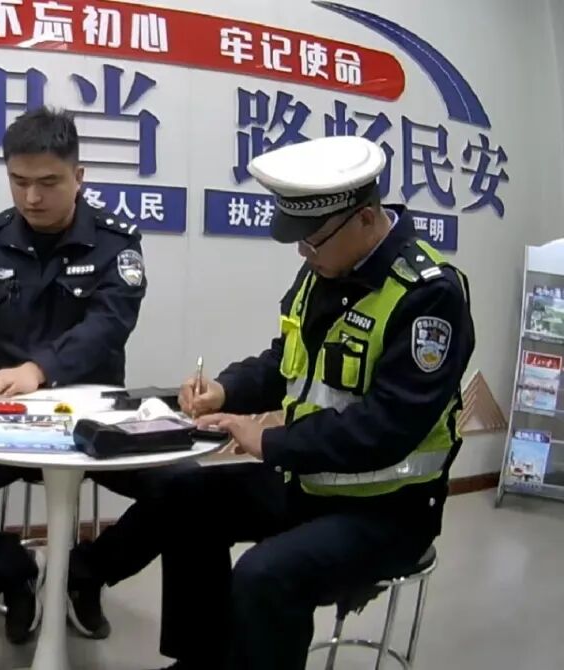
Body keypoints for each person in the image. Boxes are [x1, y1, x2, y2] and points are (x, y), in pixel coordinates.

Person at [150, 135, 476, 669]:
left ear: (365, 219)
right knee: (185, 496)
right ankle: (201, 660)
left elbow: (389, 426)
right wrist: (226, 390)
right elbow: (286, 360)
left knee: (265, 575)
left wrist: (271, 441)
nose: (303, 252)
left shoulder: (428, 294)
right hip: (310, 483)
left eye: (313, 240)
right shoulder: (327, 266)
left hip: (389, 510)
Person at [0, 106, 197, 644]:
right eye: (19, 181)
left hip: (96, 421)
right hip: (5, 418)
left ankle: (87, 574)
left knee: (186, 486)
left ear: (78, 176)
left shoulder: (115, 244)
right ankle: (13, 577)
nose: (31, 197)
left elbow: (108, 326)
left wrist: (39, 369)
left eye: (48, 182)